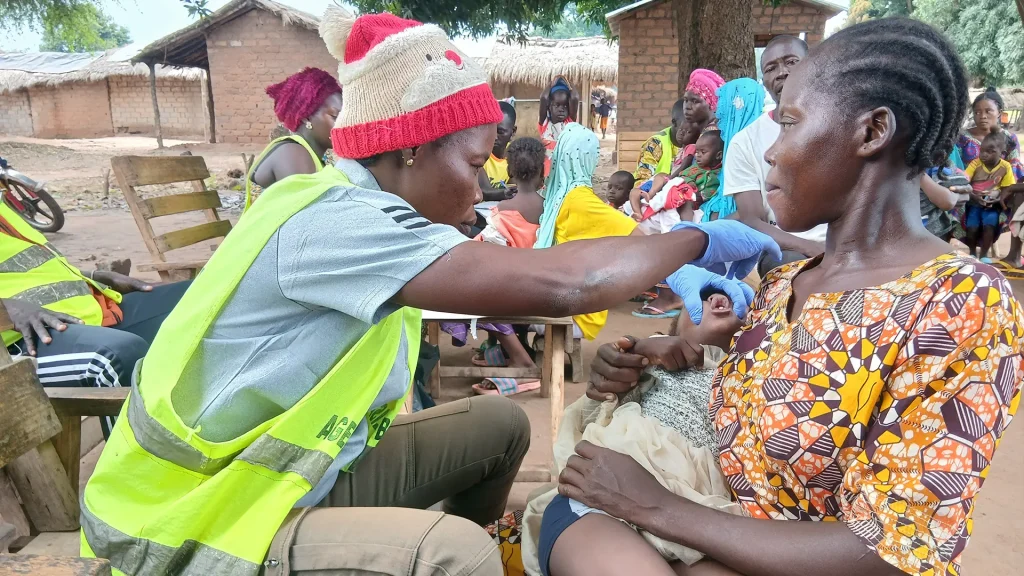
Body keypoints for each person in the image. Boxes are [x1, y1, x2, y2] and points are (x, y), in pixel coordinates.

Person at [80, 8, 780, 576]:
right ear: (413, 147)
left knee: (501, 429)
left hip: (284, 479)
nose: (479, 191)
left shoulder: (360, 205)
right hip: (190, 524)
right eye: (474, 163)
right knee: (457, 553)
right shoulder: (336, 221)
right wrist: (700, 240)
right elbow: (565, 283)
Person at [544, 18, 1024, 576]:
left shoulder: (958, 301)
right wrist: (655, 357)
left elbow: (891, 551)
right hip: (697, 531)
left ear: (872, 132)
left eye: (789, 124)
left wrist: (654, 505)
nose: (769, 153)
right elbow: (753, 394)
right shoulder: (783, 285)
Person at [521, 288, 743, 574]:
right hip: (599, 503)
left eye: (740, 297)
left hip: (699, 529)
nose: (716, 300)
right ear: (672, 325)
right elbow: (591, 416)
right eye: (702, 296)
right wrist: (635, 354)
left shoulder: (762, 390)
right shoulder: (653, 361)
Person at [0, 202, 189, 435]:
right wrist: (7, 307)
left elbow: (24, 269)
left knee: (199, 299)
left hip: (81, 313)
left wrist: (93, 276)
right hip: (17, 342)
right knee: (113, 357)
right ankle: (133, 468)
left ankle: (206, 433)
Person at [445, 137, 548, 396]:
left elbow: (488, 254)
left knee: (475, 294)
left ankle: (520, 362)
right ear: (542, 170)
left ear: (510, 171)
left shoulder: (503, 212)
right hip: (544, 284)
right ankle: (504, 351)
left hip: (517, 293)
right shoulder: (550, 207)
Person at [723, 35, 828, 277]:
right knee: (790, 268)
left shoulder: (841, 123)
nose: (781, 73)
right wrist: (810, 247)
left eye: (791, 62)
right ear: (764, 81)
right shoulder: (745, 142)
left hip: (848, 242)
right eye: (770, 68)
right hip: (787, 248)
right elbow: (751, 220)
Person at [534, 124, 641, 340]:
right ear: (587, 159)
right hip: (572, 310)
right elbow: (640, 237)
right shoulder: (581, 200)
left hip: (560, 306)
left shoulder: (557, 194)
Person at [245, 67, 343, 210]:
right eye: (335, 116)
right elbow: (315, 217)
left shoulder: (322, 155)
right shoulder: (292, 153)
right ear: (307, 117)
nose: (344, 123)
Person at [956, 88, 1024, 269]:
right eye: (977, 112)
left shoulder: (1008, 138)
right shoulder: (962, 138)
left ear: (999, 113)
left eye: (988, 111)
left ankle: (1014, 255)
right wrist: (969, 192)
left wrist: (1002, 192)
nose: (982, 116)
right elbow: (956, 169)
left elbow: (1015, 166)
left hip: (1000, 193)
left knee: (1021, 194)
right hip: (967, 192)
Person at [634, 69, 724, 183]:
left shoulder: (712, 137)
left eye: (695, 101)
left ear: (711, 103)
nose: (687, 106)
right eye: (686, 100)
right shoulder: (701, 132)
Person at [699, 78, 766, 222]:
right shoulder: (755, 137)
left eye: (724, 110)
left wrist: (711, 229)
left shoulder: (743, 145)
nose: (718, 118)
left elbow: (751, 213)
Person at [630, 131, 722, 233]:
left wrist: (691, 191)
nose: (697, 156)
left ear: (718, 155)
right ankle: (639, 210)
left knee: (686, 202)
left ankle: (687, 227)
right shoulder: (695, 167)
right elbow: (681, 176)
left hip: (687, 197)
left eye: (703, 152)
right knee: (642, 188)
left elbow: (708, 192)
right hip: (674, 189)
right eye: (697, 152)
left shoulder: (715, 175)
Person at [963, 132, 1017, 261]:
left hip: (993, 205)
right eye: (982, 150)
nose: (983, 154)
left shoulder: (1005, 166)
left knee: (990, 226)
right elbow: (964, 181)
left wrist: (998, 199)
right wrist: (974, 197)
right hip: (974, 202)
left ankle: (984, 255)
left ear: (1001, 152)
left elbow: (1007, 188)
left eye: (990, 151)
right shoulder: (975, 164)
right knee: (972, 227)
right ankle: (971, 253)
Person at [478, 101, 518, 201]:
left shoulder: (514, 155)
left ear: (513, 132)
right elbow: (484, 191)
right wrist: (505, 193)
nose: (494, 137)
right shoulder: (479, 153)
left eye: (500, 132)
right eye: (490, 130)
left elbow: (516, 184)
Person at [539, 76, 580, 175]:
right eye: (557, 105)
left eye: (565, 106)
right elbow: (544, 98)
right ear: (549, 107)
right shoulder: (545, 124)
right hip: (547, 173)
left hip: (564, 171)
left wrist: (570, 84)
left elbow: (575, 98)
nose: (561, 109)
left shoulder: (569, 123)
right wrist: (550, 84)